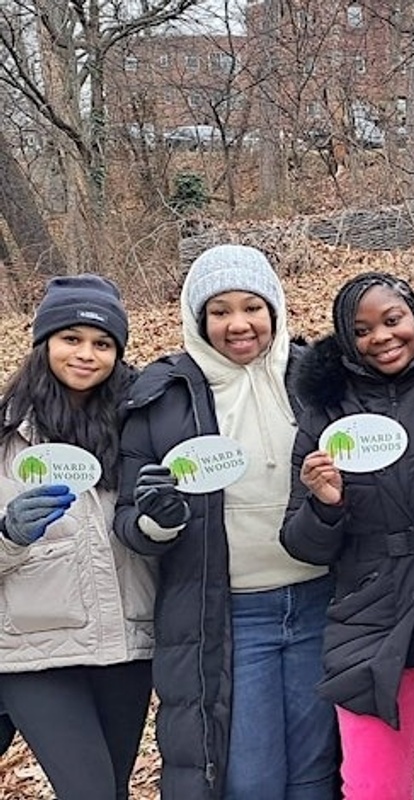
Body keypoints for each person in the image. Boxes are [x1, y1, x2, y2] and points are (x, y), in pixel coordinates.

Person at [115, 244, 338, 799]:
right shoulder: (163, 397)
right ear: (198, 319)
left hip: (322, 601)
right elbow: (128, 520)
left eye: (252, 307)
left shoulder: (318, 379)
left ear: (275, 310)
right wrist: (158, 521)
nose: (239, 324)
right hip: (232, 616)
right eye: (220, 312)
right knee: (249, 778)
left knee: (317, 775)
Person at [280, 273, 414, 799]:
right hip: (369, 631)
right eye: (362, 330)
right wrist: (325, 505)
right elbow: (301, 543)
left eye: (392, 320)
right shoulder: (326, 412)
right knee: (374, 789)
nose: (382, 337)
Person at [0, 276, 153, 799]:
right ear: (43, 343)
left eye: (103, 343)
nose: (87, 354)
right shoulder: (7, 434)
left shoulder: (140, 425)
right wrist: (8, 534)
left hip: (127, 648)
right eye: (71, 338)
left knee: (111, 791)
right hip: (34, 653)